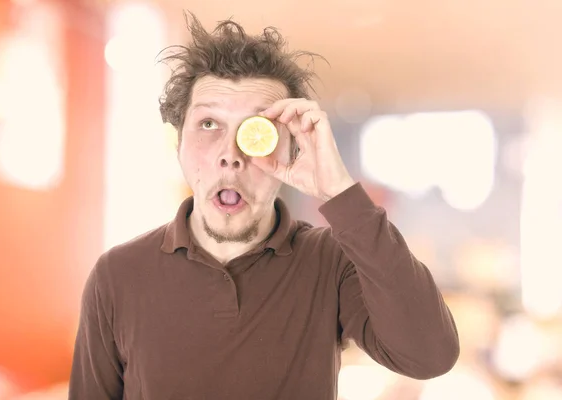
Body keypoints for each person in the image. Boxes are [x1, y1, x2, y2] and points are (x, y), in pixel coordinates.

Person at [69, 12, 460, 400]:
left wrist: (338, 190)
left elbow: (430, 356)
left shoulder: (331, 262)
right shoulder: (118, 275)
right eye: (209, 124)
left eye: (256, 131)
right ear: (179, 146)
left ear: (290, 147)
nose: (231, 154)